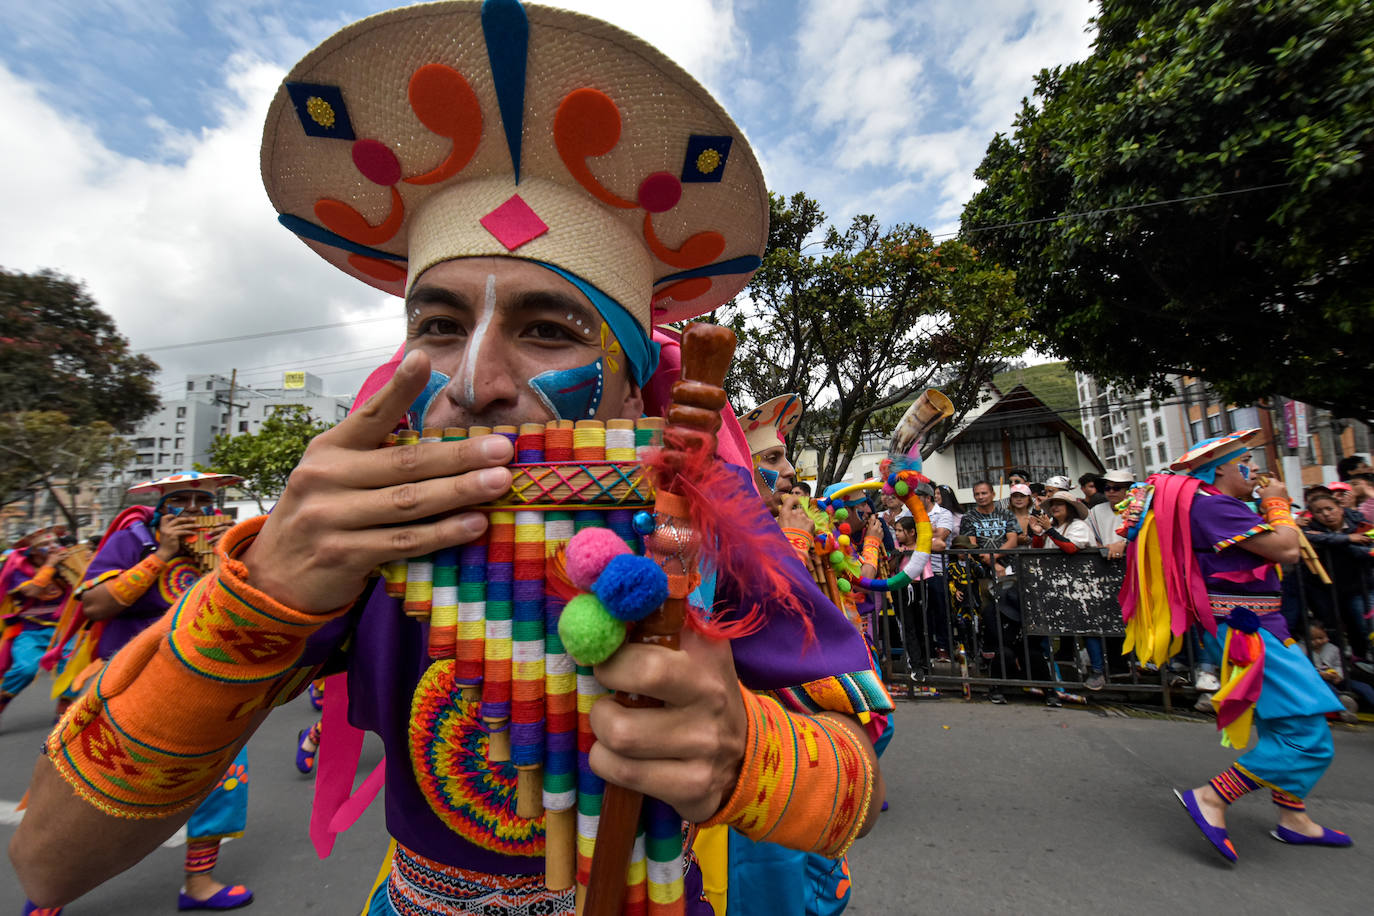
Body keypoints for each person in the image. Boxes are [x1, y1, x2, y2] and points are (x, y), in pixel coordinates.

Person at [12, 6, 888, 915]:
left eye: (548, 330)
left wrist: (750, 751)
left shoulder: (703, 528)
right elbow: (49, 864)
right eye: (437, 326)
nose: (475, 383)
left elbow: (859, 761)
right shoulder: (357, 548)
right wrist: (260, 593)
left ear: (633, 391)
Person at [1120, 429, 1351, 862]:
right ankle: (1213, 797)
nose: (1255, 470)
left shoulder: (1222, 506)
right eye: (1246, 462)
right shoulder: (1214, 508)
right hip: (1248, 632)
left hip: (1263, 625)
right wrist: (1277, 503)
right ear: (1222, 470)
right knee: (1308, 736)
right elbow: (1286, 550)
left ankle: (1294, 816)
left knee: (1286, 725)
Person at [67, 472, 251, 912]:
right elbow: (94, 605)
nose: (191, 511)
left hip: (205, 679)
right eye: (179, 502)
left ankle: (198, 883)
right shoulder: (132, 539)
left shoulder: (221, 544)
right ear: (158, 509)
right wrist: (162, 555)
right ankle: (53, 886)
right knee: (96, 784)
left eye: (202, 501)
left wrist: (232, 558)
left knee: (223, 779)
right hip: (128, 675)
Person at [0, 528, 77, 728]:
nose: (52, 548)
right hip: (30, 631)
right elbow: (32, 590)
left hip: (64, 631)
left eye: (54, 543)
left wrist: (80, 563)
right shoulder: (17, 568)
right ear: (32, 551)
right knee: (26, 669)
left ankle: (64, 710)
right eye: (44, 545)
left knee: (71, 667)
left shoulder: (66, 565)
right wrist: (50, 565)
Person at [1028, 491, 1104, 690]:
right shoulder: (1053, 527)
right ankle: (1051, 670)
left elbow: (1070, 548)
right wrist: (1038, 532)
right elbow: (1038, 548)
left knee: (1087, 628)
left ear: (1069, 508)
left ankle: (1097, 671)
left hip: (1079, 585)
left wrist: (1049, 530)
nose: (1054, 508)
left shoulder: (1078, 526)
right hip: (1054, 584)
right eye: (1053, 504)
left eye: (1060, 504)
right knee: (1049, 627)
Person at [1299, 491, 1373, 664]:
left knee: (1365, 624)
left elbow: (1369, 550)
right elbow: (1308, 537)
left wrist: (1342, 544)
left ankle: (1367, 657)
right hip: (1326, 589)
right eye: (1319, 511)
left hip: (1360, 586)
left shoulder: (1361, 522)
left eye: (1329, 509)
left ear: (1340, 508)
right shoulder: (1310, 527)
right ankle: (1351, 663)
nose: (1325, 514)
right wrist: (1348, 539)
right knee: (1336, 628)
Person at [1306, 621, 1373, 720]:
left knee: (1363, 687)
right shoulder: (1302, 649)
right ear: (1305, 639)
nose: (1319, 641)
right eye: (1313, 639)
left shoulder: (1332, 649)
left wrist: (1338, 675)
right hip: (1317, 680)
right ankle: (1346, 708)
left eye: (1321, 638)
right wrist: (1319, 674)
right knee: (1329, 689)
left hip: (1335, 678)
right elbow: (1303, 669)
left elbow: (1338, 664)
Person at [1088, 469, 1133, 558]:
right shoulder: (1095, 510)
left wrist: (1125, 544)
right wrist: (1101, 548)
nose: (1111, 491)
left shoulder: (1137, 510)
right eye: (1107, 488)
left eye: (1117, 488)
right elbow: (1089, 535)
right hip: (1104, 559)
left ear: (1128, 490)